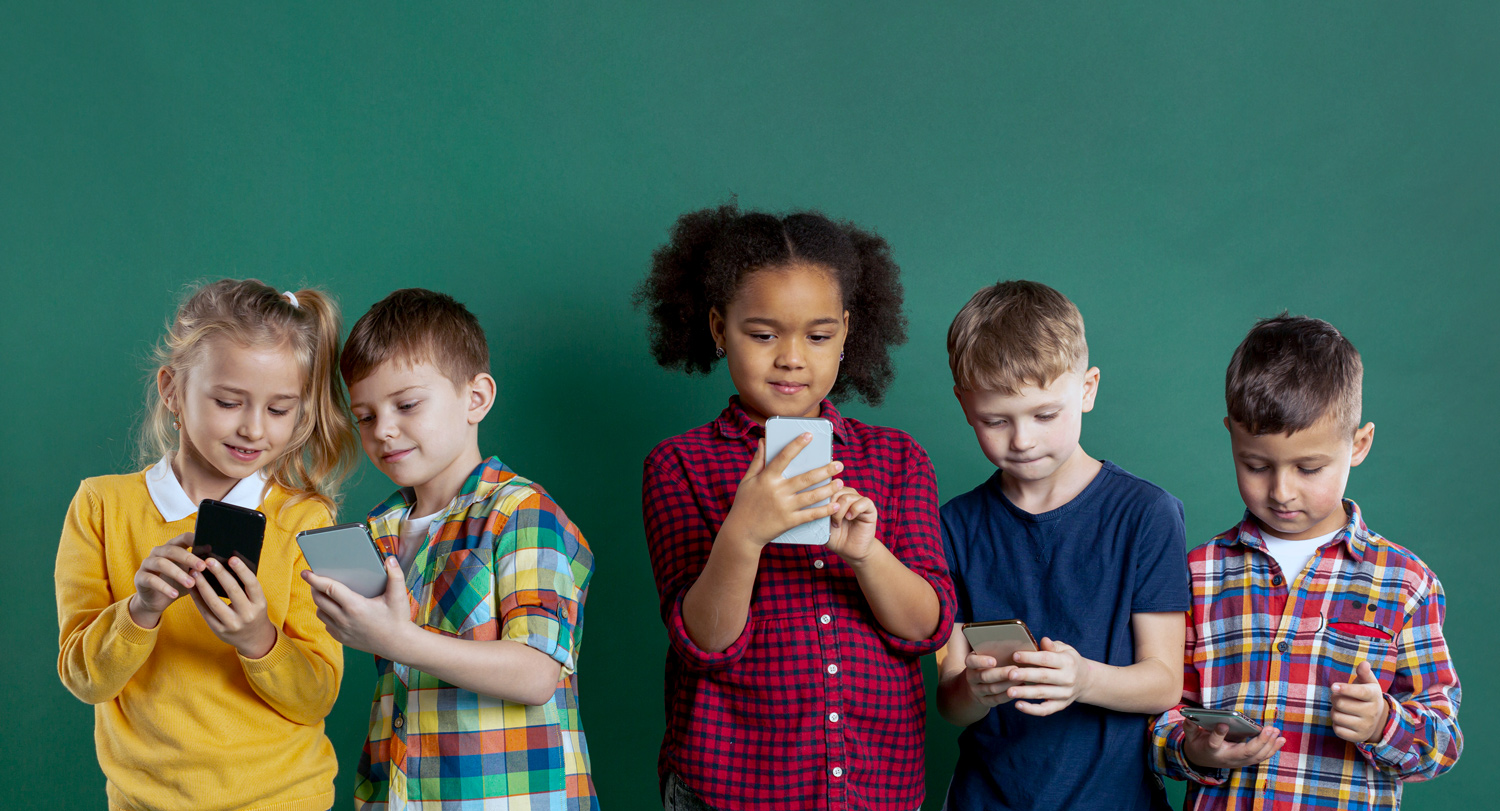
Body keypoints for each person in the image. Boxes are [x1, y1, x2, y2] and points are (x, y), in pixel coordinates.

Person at [635, 204, 956, 811]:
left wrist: (867, 555)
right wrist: (743, 534)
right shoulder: (679, 465)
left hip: (877, 789)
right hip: (731, 790)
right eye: (762, 334)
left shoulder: (897, 459)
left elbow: (925, 630)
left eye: (818, 335)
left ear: (847, 332)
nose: (791, 357)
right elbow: (704, 642)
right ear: (716, 327)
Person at [56, 279, 356, 811]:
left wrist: (258, 637)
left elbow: (316, 698)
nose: (253, 428)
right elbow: (84, 678)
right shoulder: (101, 507)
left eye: (280, 409)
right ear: (172, 388)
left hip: (284, 799)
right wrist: (139, 610)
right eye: (228, 401)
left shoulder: (308, 519)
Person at [1150, 313, 1462, 809]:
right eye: (1256, 465)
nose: (1281, 491)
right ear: (1231, 436)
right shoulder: (1198, 574)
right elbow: (1157, 717)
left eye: (1309, 468)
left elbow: (1442, 745)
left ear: (1358, 445)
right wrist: (1191, 747)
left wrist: (1384, 723)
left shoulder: (1407, 583)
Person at [303, 288, 597, 810]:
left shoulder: (523, 512)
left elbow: (535, 673)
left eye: (407, 404)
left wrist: (399, 639)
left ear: (476, 398)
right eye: (365, 417)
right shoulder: (381, 527)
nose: (384, 430)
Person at [935, 280, 1189, 810]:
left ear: (1088, 388)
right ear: (964, 405)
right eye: (995, 420)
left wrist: (1082, 679)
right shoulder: (953, 525)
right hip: (987, 798)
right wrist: (976, 692)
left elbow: (1164, 683)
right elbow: (951, 701)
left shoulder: (1146, 514)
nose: (1022, 439)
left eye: (1045, 415)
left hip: (1115, 800)